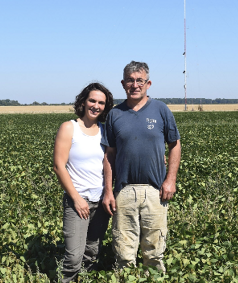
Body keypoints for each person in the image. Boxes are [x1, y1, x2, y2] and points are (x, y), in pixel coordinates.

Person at [102, 61, 181, 273]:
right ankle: (125, 277)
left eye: (140, 80)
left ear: (148, 83)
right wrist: (108, 191)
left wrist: (170, 180)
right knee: (123, 249)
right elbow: (109, 155)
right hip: (124, 190)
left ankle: (153, 277)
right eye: (130, 80)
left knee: (154, 250)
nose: (135, 85)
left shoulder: (161, 109)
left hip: (155, 190)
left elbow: (174, 144)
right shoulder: (114, 115)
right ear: (123, 83)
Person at [53, 82, 114, 283]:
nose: (96, 106)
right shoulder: (69, 127)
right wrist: (77, 198)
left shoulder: (106, 131)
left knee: (92, 252)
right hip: (77, 200)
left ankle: (87, 280)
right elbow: (59, 166)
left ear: (106, 107)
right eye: (92, 100)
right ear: (83, 102)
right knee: (73, 256)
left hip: (101, 201)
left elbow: (118, 158)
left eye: (101, 103)